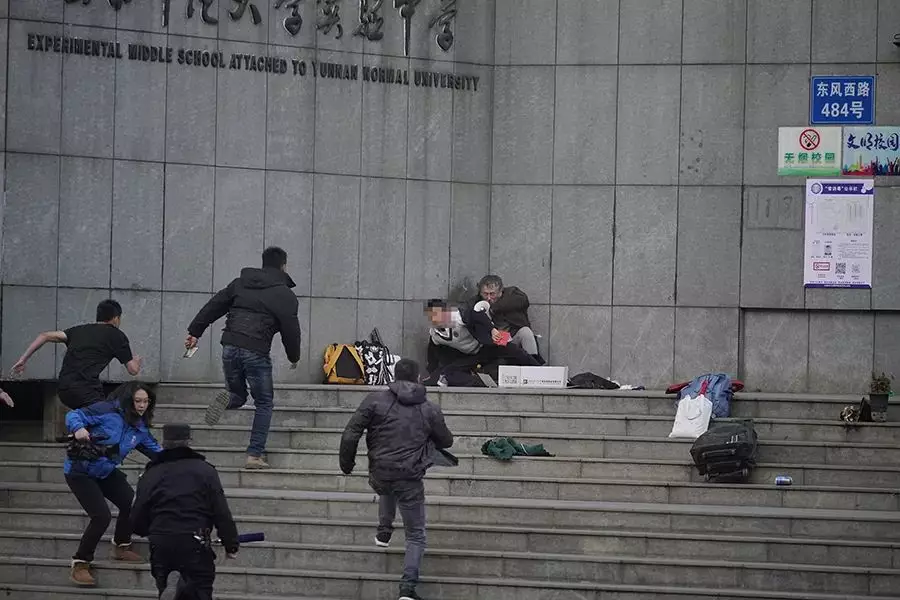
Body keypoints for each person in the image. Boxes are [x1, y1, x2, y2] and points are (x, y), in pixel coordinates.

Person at [339, 358, 454, 600]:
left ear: (394, 376)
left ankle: (384, 532)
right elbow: (446, 441)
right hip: (409, 476)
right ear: (418, 378)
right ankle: (407, 589)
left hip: (380, 471)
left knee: (387, 485)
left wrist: (346, 464)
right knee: (415, 534)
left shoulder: (374, 400)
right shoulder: (429, 408)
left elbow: (351, 433)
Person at [184, 246, 302, 470]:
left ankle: (226, 399)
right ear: (283, 266)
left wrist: (194, 332)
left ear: (263, 263)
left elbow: (214, 306)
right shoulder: (284, 295)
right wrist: (293, 356)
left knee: (238, 395)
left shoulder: (239, 284)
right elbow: (291, 331)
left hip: (230, 346)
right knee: (264, 403)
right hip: (256, 351)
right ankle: (254, 455)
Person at [63, 381, 162, 586]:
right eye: (138, 401)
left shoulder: (140, 427)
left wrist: (182, 459)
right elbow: (73, 415)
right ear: (128, 400)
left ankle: (121, 546)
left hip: (106, 471)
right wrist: (78, 428)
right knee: (101, 516)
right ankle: (81, 563)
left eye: (146, 401)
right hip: (80, 471)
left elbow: (157, 452)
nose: (142, 406)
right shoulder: (106, 410)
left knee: (131, 504)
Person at [132, 423, 239, 600]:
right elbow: (220, 511)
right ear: (189, 442)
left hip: (161, 539)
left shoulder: (151, 473)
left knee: (164, 584)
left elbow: (138, 511)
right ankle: (180, 586)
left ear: (164, 444)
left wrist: (146, 530)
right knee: (200, 589)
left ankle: (173, 586)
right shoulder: (205, 470)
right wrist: (231, 543)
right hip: (194, 538)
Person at [11, 299, 143, 409]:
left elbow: (44, 336)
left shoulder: (78, 330)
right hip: (86, 390)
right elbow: (133, 370)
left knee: (95, 416)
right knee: (106, 418)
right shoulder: (117, 335)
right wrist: (136, 362)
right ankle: (78, 425)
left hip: (64, 390)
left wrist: (23, 359)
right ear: (116, 318)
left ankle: (79, 427)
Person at [423, 299, 538, 387]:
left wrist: (492, 330)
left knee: (514, 350)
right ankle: (483, 383)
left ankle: (539, 371)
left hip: (486, 345)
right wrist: (431, 372)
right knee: (449, 372)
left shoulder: (457, 317)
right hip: (470, 356)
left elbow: (477, 315)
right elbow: (433, 354)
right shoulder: (435, 335)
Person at [463, 275, 544, 364]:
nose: (488, 298)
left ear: (500, 291)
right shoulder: (475, 302)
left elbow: (523, 300)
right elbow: (467, 315)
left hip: (511, 337)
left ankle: (533, 363)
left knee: (526, 332)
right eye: (485, 294)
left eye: (492, 294)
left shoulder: (512, 295)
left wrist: (495, 308)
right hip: (490, 343)